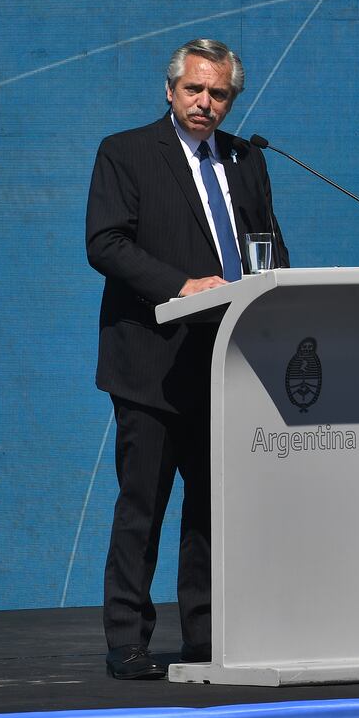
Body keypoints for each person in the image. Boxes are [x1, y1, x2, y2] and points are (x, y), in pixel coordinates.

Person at [86, 39, 289, 678]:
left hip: (229, 361)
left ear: (232, 99)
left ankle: (204, 636)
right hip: (152, 360)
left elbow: (267, 243)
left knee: (211, 508)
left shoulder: (246, 159)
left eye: (218, 93)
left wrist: (276, 282)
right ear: (170, 91)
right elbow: (106, 242)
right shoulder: (127, 153)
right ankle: (128, 638)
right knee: (142, 507)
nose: (205, 103)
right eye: (194, 90)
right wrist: (180, 285)